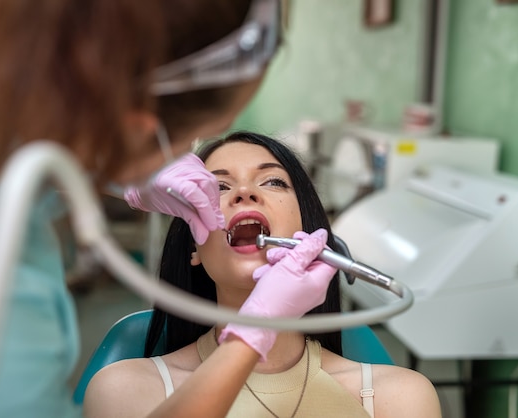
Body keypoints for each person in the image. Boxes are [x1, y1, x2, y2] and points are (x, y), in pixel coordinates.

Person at [0, 1, 323, 417]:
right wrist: (252, 334)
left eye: (272, 180)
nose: (244, 194)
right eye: (202, 144)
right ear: (135, 130)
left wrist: (113, 166)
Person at [83, 131, 442, 418]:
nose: (243, 193)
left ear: (310, 233)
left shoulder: (399, 398)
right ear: (194, 248)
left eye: (272, 182)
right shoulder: (125, 389)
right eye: (218, 187)